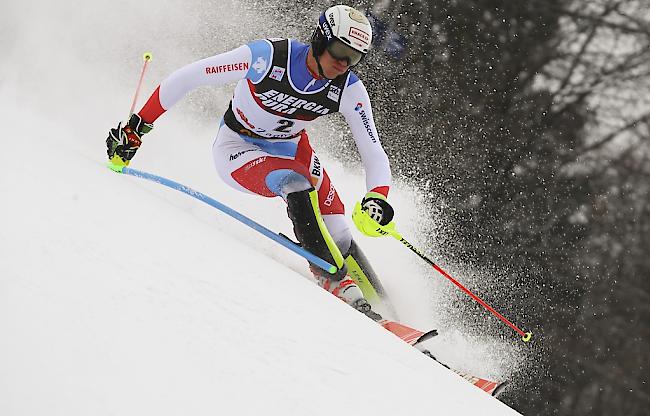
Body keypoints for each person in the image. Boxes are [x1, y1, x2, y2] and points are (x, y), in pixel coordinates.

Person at [106, 5, 396, 321]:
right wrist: (137, 127)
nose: (343, 63)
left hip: (293, 150)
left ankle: (388, 312)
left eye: (353, 58)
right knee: (297, 184)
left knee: (339, 232)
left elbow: (373, 152)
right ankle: (335, 281)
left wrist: (377, 197)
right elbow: (187, 78)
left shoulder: (349, 89)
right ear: (320, 38)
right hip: (238, 147)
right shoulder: (267, 57)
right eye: (340, 51)